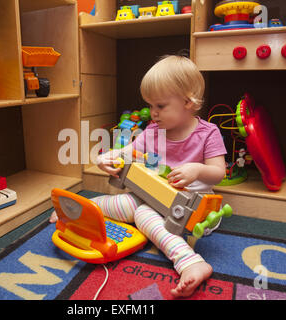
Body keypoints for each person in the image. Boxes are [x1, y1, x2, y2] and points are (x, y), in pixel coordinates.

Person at [50, 54, 227, 298]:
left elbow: (219, 172)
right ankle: (81, 209)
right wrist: (106, 158)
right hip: (152, 196)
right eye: (150, 105)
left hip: (193, 208)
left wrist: (196, 169)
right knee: (126, 204)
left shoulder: (208, 133)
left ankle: (189, 261)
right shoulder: (153, 131)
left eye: (160, 106)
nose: (152, 113)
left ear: (188, 102)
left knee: (141, 213)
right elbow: (126, 152)